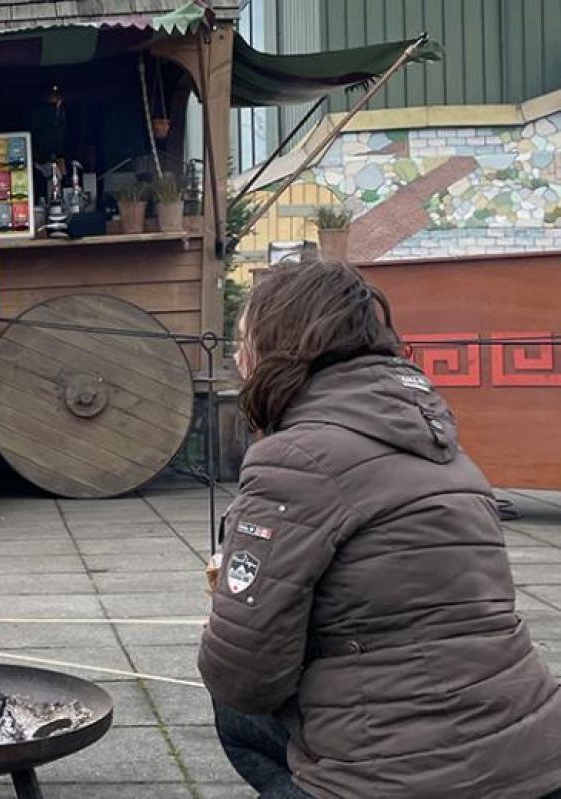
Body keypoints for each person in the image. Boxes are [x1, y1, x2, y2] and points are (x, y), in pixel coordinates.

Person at [199, 260, 561, 798]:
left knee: (233, 709)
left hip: (408, 778)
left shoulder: (293, 459)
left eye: (243, 342)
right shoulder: (442, 444)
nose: (236, 358)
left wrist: (235, 592)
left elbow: (245, 675)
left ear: (276, 349)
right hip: (535, 754)